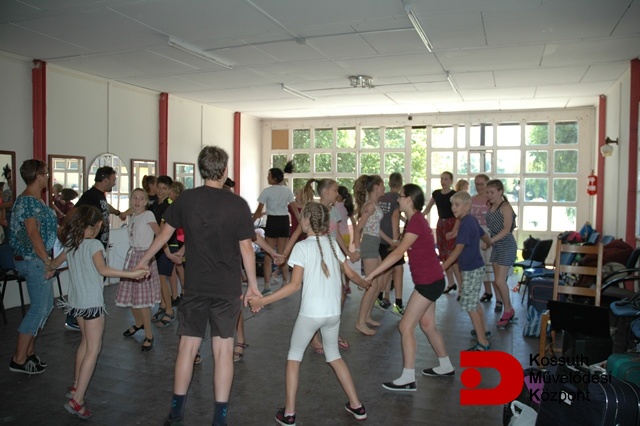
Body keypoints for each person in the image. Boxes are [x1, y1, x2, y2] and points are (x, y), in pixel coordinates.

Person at [135, 146, 260, 426]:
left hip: (195, 287)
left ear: (201, 169)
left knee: (187, 349)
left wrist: (143, 260)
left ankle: (176, 413)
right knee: (223, 352)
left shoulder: (186, 199)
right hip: (226, 289)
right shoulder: (237, 204)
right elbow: (247, 250)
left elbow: (163, 236)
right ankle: (219, 419)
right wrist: (252, 286)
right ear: (224, 170)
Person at [247, 202, 370, 425]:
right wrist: (365, 283)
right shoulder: (332, 244)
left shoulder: (302, 248)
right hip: (333, 314)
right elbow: (352, 274)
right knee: (334, 356)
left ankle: (289, 414)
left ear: (306, 221)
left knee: (294, 358)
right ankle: (357, 405)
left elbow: (294, 286)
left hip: (311, 315)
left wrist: (262, 300)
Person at [49, 205, 148, 419]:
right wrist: (133, 274)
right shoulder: (94, 244)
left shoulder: (71, 243)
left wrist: (47, 269)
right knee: (93, 349)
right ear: (98, 225)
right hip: (91, 304)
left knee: (85, 343)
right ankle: (77, 400)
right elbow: (103, 270)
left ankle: (76, 386)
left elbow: (54, 263)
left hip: (76, 303)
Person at [365, 184, 455, 391]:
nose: (398, 199)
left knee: (405, 326)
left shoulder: (416, 221)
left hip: (429, 283)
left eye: (401, 196)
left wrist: (372, 273)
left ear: (409, 200)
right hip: (432, 280)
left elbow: (399, 253)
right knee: (428, 325)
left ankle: (408, 378)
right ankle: (445, 366)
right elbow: (404, 246)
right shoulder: (415, 221)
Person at [8, 160, 57, 375]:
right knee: (38, 307)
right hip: (33, 260)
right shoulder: (28, 202)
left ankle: (28, 353)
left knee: (45, 306)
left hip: (36, 259)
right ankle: (18, 358)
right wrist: (46, 260)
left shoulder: (36, 200)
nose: (47, 176)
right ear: (37, 176)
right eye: (45, 173)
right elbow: (32, 233)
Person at [63, 166, 123, 331]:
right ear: (105, 179)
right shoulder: (89, 195)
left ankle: (84, 318)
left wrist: (118, 213)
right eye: (113, 180)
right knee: (88, 284)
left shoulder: (99, 196)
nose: (114, 183)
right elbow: (73, 213)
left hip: (98, 246)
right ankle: (75, 318)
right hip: (90, 247)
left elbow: (106, 207)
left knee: (96, 282)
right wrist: (65, 229)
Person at [441, 192, 493, 351]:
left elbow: (458, 249)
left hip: (472, 269)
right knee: (474, 302)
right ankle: (483, 331)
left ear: (467, 206)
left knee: (470, 305)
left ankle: (482, 342)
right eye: (452, 205)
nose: (453, 208)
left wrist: (442, 267)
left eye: (457, 205)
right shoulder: (471, 220)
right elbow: (484, 235)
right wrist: (488, 244)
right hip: (475, 268)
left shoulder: (465, 224)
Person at [116, 188, 161, 351]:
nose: (137, 201)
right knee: (131, 297)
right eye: (135, 198)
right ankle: (139, 323)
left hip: (144, 256)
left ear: (146, 201)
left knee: (142, 301)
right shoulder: (133, 216)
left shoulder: (148, 215)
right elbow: (130, 212)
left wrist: (154, 254)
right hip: (132, 256)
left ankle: (149, 334)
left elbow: (160, 234)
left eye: (141, 198)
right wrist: (124, 213)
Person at [352, 174, 392, 336]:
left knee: (379, 283)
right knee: (371, 285)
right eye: (382, 185)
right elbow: (358, 229)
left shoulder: (375, 205)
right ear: (376, 187)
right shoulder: (369, 206)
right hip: (369, 245)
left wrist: (391, 241)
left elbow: (376, 228)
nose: (384, 187)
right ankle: (360, 322)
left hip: (375, 243)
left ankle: (367, 316)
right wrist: (358, 249)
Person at [252, 161, 298, 294]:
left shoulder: (266, 191)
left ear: (274, 178)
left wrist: (250, 222)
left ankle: (267, 287)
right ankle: (286, 282)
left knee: (268, 254)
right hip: (283, 221)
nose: (267, 178)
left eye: (269, 176)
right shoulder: (287, 191)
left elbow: (258, 211)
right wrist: (301, 222)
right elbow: (294, 209)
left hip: (272, 221)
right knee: (282, 254)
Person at [424, 171, 462, 297]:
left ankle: (461, 287)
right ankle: (451, 283)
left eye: (446, 179)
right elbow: (428, 208)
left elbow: (458, 215)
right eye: (442, 179)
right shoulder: (436, 193)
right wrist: (418, 215)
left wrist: (454, 230)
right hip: (441, 225)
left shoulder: (455, 195)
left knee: (453, 257)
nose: (443, 181)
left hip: (452, 224)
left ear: (451, 181)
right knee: (444, 255)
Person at [485, 179, 517, 326]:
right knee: (497, 280)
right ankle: (507, 307)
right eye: (487, 192)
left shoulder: (505, 207)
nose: (489, 195)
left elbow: (506, 229)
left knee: (499, 280)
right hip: (496, 245)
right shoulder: (491, 206)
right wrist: (488, 240)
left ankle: (508, 309)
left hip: (506, 244)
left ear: (500, 192)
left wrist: (490, 241)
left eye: (492, 192)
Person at [149, 175, 180, 326]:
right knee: (159, 279)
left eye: (164, 189)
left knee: (163, 278)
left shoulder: (169, 206)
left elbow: (162, 231)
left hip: (169, 245)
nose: (160, 191)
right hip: (157, 246)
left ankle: (169, 310)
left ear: (169, 190)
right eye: (159, 188)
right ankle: (162, 305)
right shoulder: (154, 205)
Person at [376, 172, 405, 316]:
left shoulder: (382, 197)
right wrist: (394, 240)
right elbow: (394, 216)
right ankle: (397, 304)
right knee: (398, 269)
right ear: (400, 184)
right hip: (390, 240)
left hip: (380, 238)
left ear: (389, 183)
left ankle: (380, 297)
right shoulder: (397, 199)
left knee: (387, 269)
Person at [470, 174, 500, 308]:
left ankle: (499, 299)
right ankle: (488, 292)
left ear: (487, 184)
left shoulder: (492, 200)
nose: (478, 187)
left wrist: (489, 239)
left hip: (490, 234)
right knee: (481, 266)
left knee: (492, 268)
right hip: (476, 234)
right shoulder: (472, 200)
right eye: (476, 184)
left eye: (481, 184)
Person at [1, 164, 14, 243]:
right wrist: (3, 218)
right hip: (9, 214)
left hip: (12, 215)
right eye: (9, 178)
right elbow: (2, 205)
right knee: (9, 238)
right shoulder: (7, 191)